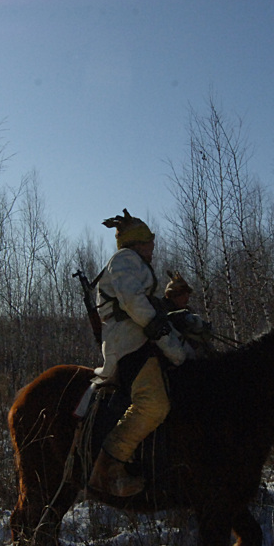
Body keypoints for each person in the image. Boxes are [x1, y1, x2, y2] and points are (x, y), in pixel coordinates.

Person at [88, 210, 187, 497]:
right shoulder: (125, 260)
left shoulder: (136, 264)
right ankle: (107, 469)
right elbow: (133, 301)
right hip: (130, 343)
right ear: (137, 244)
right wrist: (157, 326)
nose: (153, 249)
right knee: (153, 405)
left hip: (141, 338)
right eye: (149, 244)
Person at [163, 271, 213, 358]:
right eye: (181, 294)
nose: (186, 297)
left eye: (187, 294)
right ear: (172, 296)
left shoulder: (189, 311)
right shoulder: (163, 312)